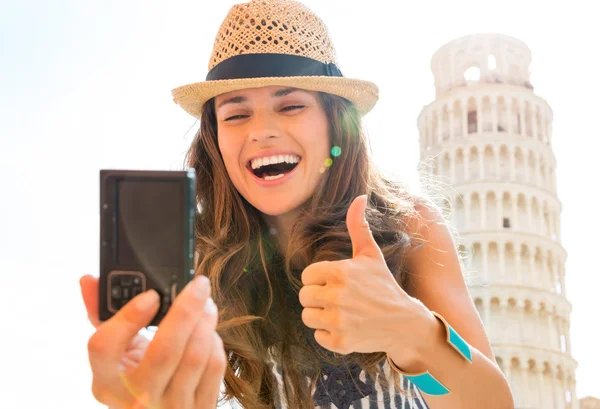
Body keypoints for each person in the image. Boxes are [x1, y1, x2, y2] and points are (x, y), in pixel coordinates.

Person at [79, 0, 515, 408]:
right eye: (235, 114)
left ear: (334, 123)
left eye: (290, 105)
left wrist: (411, 331)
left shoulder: (408, 225)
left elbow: (491, 401)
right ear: (215, 141)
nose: (262, 130)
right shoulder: (200, 268)